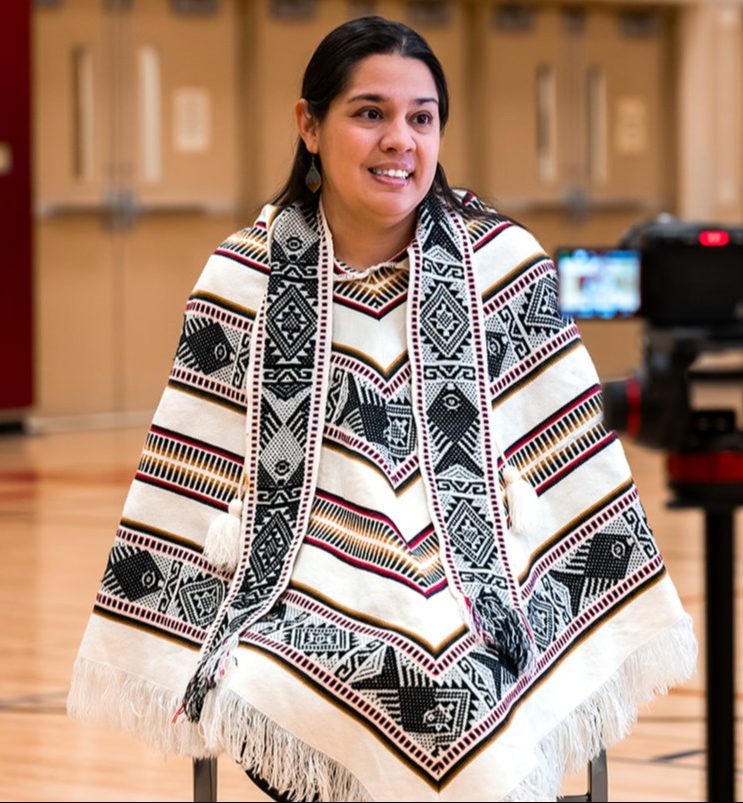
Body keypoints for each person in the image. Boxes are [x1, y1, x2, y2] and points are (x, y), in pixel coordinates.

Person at [67, 16, 697, 802]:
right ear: (309, 124)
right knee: (291, 671)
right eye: (370, 113)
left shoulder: (502, 267)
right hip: (294, 579)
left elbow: (570, 466)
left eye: (420, 117)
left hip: (489, 573)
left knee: (469, 686)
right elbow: (190, 471)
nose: (400, 139)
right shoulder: (244, 279)